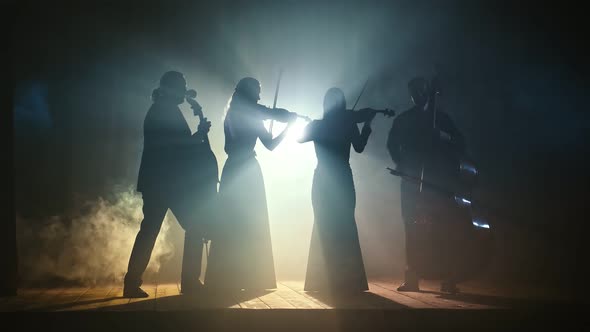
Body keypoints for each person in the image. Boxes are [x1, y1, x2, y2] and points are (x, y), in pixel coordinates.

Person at [124, 71, 213, 298]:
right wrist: (199, 134)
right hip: (168, 183)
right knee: (194, 226)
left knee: (149, 232)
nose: (185, 90)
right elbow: (178, 148)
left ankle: (132, 282)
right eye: (182, 86)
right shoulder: (165, 111)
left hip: (159, 182)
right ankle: (190, 282)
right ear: (171, 88)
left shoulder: (163, 109)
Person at [204, 77, 297, 291]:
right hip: (247, 170)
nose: (259, 96)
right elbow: (271, 143)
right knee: (251, 223)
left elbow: (271, 119)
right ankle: (251, 278)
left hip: (232, 168)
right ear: (249, 92)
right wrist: (290, 124)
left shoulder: (231, 113)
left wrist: (284, 120)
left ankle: (226, 278)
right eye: (257, 91)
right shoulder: (253, 113)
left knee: (231, 223)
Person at [387, 76, 466, 294]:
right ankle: (412, 277)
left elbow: (460, 142)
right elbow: (392, 144)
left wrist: (441, 136)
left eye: (421, 91)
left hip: (438, 183)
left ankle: (448, 279)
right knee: (412, 229)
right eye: (414, 92)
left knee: (443, 230)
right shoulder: (404, 120)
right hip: (412, 182)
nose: (418, 96)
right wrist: (403, 166)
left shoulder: (441, 119)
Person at [298, 87, 376, 293]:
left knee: (323, 225)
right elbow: (359, 147)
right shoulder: (349, 123)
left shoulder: (319, 125)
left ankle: (319, 281)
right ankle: (349, 282)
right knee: (345, 225)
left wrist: (312, 124)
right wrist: (367, 123)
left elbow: (298, 138)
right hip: (342, 178)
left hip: (322, 178)